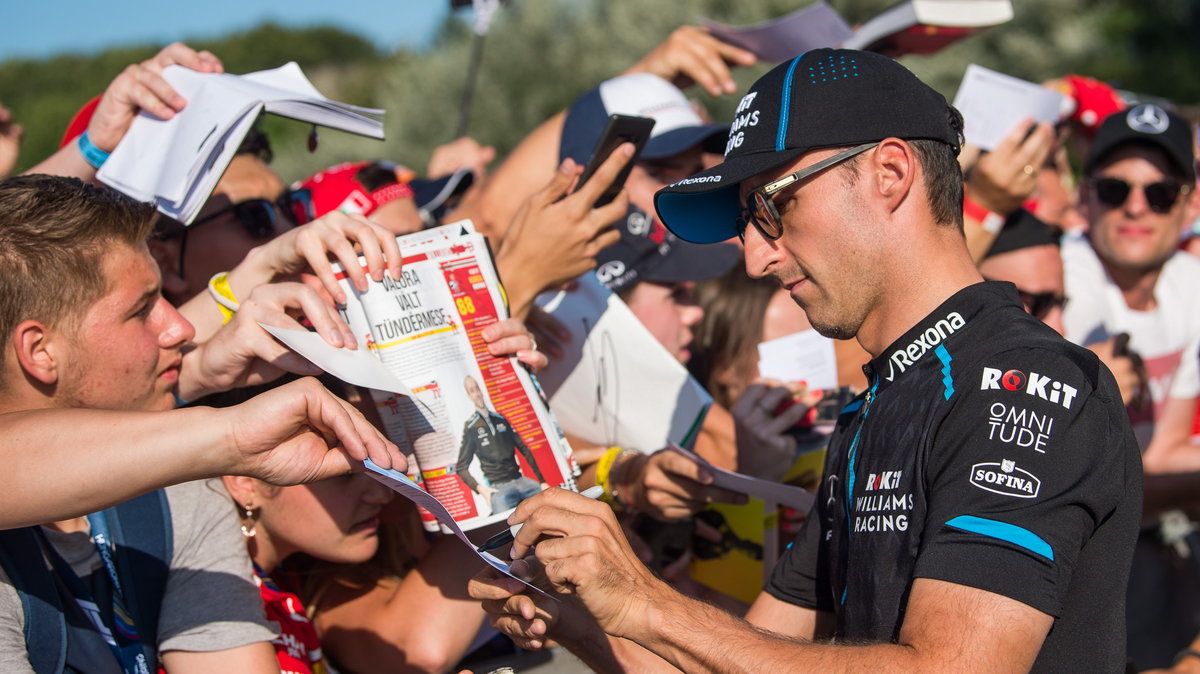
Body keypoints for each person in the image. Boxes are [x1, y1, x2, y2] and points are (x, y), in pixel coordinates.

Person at [471, 49, 1141, 672]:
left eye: (770, 206)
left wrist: (648, 601)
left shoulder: (1028, 384)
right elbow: (733, 660)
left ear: (890, 173)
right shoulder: (877, 403)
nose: (758, 257)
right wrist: (571, 609)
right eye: (745, 221)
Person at [0, 174, 402, 672]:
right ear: (40, 351)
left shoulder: (176, 486)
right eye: (143, 309)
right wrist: (232, 431)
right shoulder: (199, 450)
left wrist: (263, 270)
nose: (182, 327)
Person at [1061, 103, 1200, 669]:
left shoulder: (1189, 285)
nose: (1137, 207)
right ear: (1084, 198)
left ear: (1189, 204)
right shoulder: (1060, 279)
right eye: (1115, 189)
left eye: (1160, 193)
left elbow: (1163, 450)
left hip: (1132, 534)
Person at [454, 375, 548, 513]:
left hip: (521, 481)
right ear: (469, 396)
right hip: (499, 488)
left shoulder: (501, 419)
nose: (477, 394)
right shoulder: (471, 427)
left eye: (477, 389)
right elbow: (461, 467)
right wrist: (481, 490)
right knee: (504, 526)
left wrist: (542, 481)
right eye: (472, 390)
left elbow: (524, 449)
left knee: (550, 501)